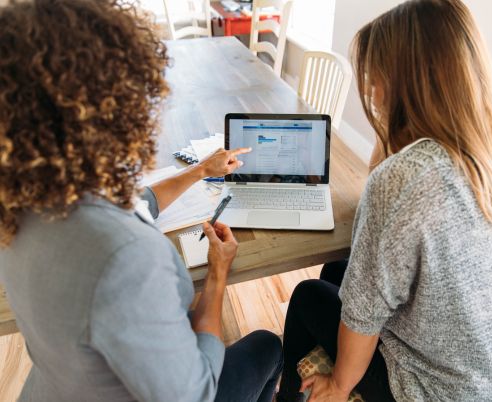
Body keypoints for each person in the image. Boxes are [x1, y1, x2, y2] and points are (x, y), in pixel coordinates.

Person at [0, 1, 282, 401]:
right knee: (268, 345)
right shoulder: (127, 256)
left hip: (57, 387)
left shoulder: (25, 198)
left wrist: (200, 170)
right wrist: (218, 275)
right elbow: (196, 394)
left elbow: (137, 202)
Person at [276, 0, 492, 401]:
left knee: (308, 296)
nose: (370, 91)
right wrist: (392, 129)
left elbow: (362, 317)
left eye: (374, 77)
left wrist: (340, 384)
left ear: (400, 82)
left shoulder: (403, 179)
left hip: (442, 393)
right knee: (335, 270)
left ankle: (296, 396)